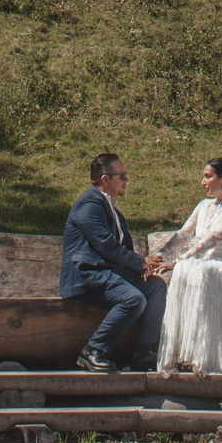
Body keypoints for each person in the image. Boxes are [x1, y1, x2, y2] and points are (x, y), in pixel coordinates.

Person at [59, 152, 164, 371]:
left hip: (109, 275)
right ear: (105, 179)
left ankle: (145, 355)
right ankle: (94, 350)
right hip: (88, 277)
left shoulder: (113, 211)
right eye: (122, 176)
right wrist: (139, 262)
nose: (126, 180)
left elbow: (122, 249)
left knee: (155, 286)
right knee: (133, 299)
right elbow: (105, 244)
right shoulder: (89, 205)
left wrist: (142, 268)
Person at [153, 157, 222, 371]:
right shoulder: (203, 206)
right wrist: (161, 254)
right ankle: (182, 352)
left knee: (197, 272)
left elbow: (212, 239)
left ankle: (203, 357)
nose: (203, 182)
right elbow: (184, 234)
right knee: (194, 270)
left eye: (208, 176)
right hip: (203, 265)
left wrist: (178, 261)